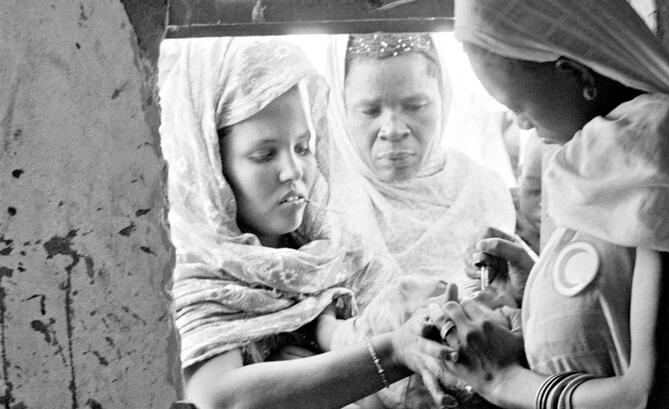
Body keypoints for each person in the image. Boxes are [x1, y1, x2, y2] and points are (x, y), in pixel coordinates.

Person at [424, 0, 669, 408]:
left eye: (517, 106)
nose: (522, 124)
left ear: (576, 73)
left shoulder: (658, 153)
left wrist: (499, 377)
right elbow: (615, 317)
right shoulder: (605, 160)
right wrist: (539, 290)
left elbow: (653, 397)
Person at [159, 37, 461, 409]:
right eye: (264, 154)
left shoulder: (333, 251)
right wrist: (392, 354)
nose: (293, 171)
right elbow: (221, 396)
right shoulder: (200, 272)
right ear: (214, 169)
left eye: (303, 148)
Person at [326, 32, 516, 288]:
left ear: (443, 98)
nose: (392, 130)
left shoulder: (483, 191)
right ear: (341, 109)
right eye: (370, 111)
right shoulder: (323, 200)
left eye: (415, 106)